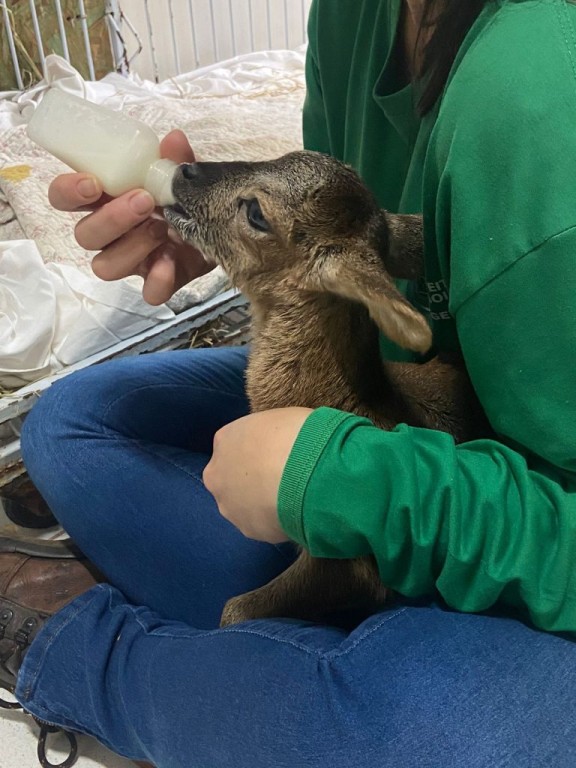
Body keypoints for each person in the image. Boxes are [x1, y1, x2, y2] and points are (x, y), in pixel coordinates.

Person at [2, 0, 576, 765]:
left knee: (425, 727)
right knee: (71, 425)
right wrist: (230, 240)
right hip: (387, 396)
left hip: (526, 530)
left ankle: (108, 664)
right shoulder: (353, 16)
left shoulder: (546, 89)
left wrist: (348, 483)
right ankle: (303, 652)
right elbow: (370, 229)